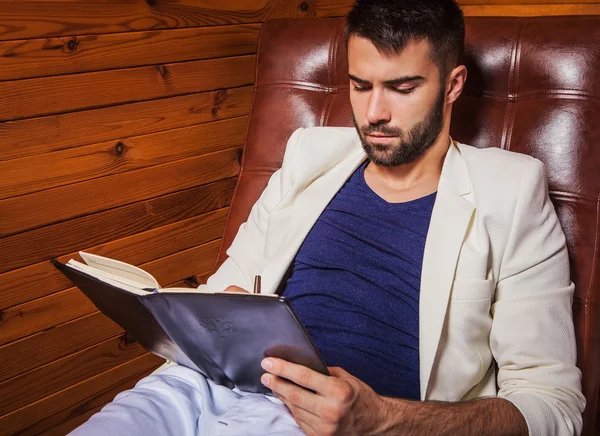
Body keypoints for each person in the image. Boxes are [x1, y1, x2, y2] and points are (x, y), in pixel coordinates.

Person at [70, 0, 585, 435]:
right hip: (199, 387)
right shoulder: (308, 155)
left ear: (452, 86)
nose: (374, 114)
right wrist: (215, 317)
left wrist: (383, 418)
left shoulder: (512, 190)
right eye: (360, 86)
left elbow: (554, 406)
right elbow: (229, 285)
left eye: (402, 88)